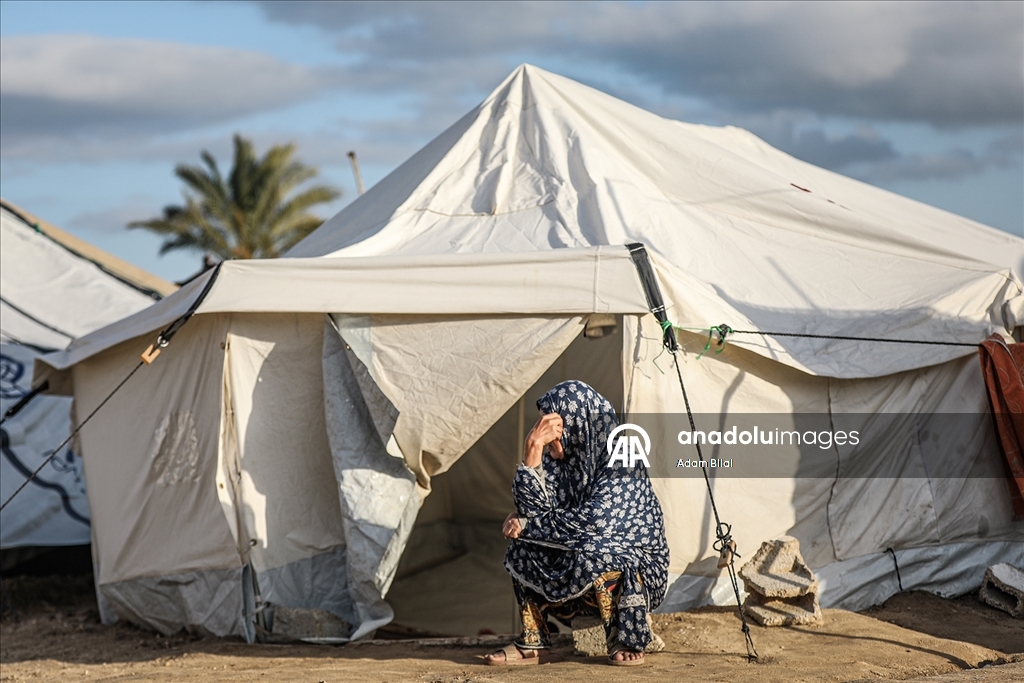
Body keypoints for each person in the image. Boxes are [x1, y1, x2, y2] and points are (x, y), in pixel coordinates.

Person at [484, 380, 669, 667]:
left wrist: (529, 526)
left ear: (579, 425)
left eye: (557, 429)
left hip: (634, 569)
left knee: (592, 551)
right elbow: (532, 511)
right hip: (582, 572)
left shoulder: (623, 457)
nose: (552, 439)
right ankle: (535, 641)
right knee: (521, 551)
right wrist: (532, 448)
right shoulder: (563, 462)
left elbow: (594, 526)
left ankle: (620, 636)